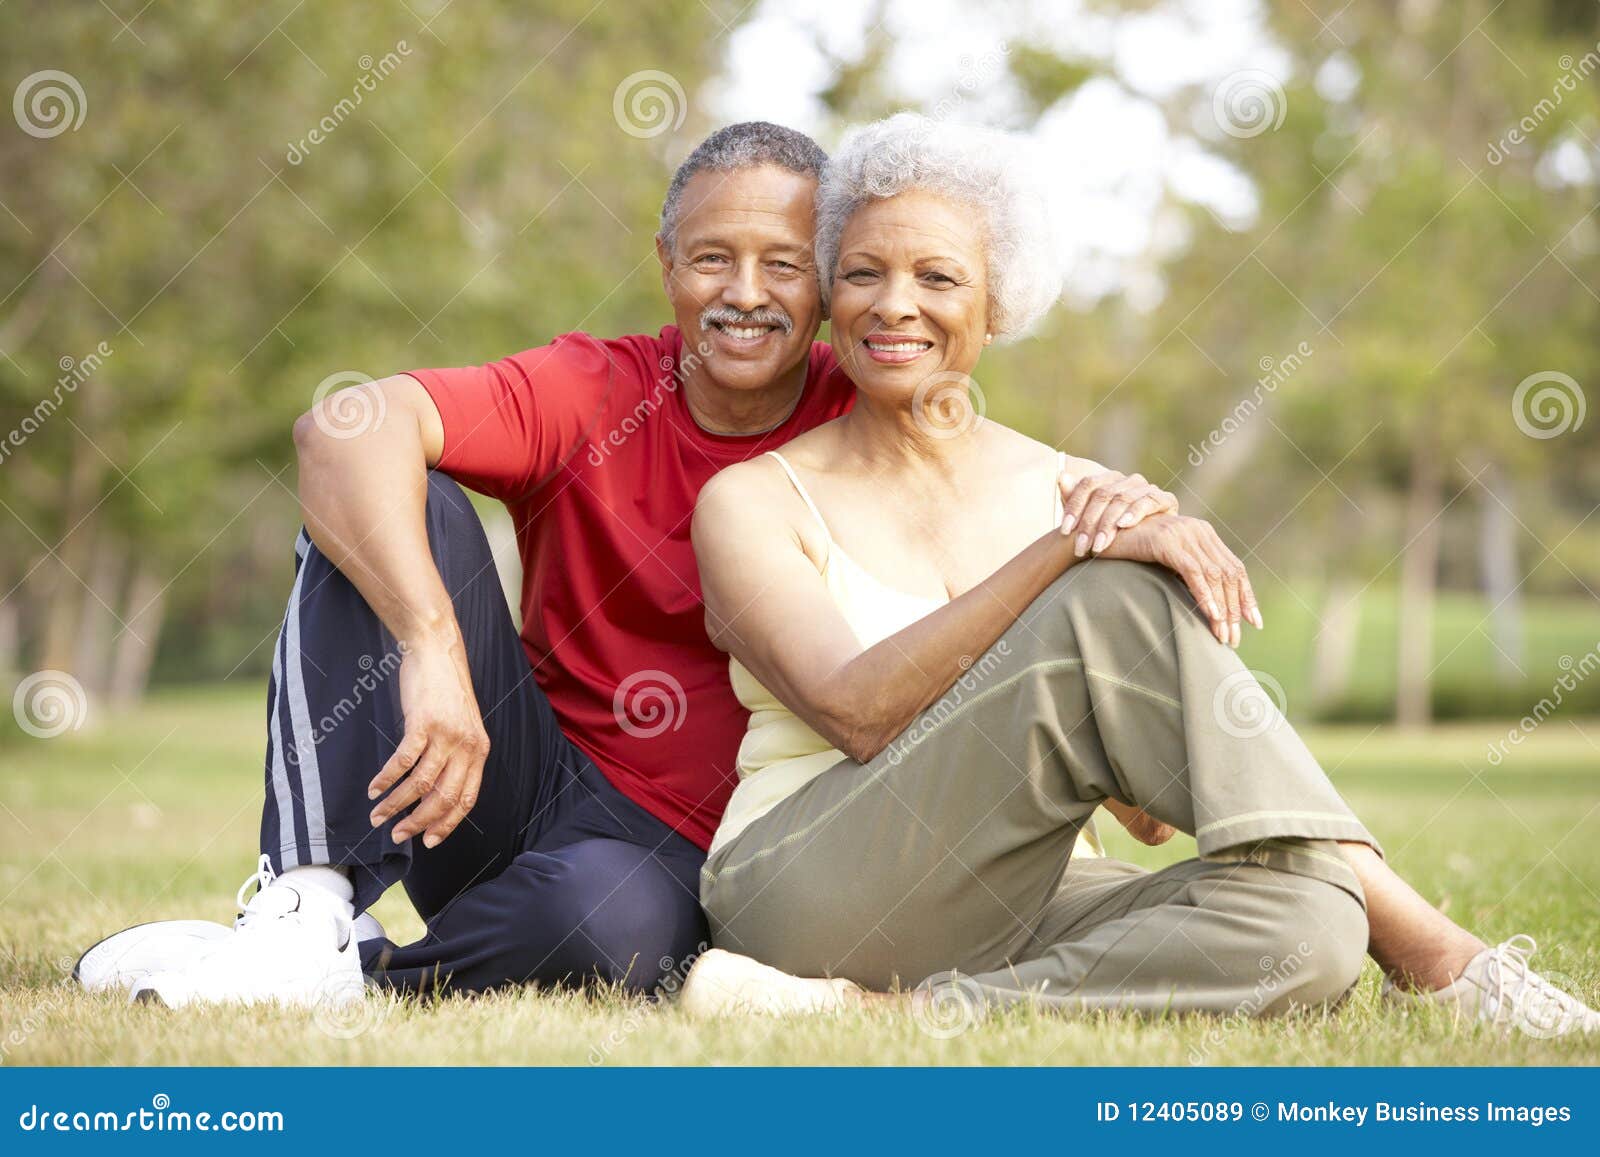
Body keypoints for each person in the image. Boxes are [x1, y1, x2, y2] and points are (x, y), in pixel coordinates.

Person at [71, 120, 1178, 1008]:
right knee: (395, 495)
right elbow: (343, 429)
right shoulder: (596, 387)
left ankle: (342, 974)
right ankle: (303, 904)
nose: (746, 291)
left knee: (609, 935)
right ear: (667, 267)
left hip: (705, 850)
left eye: (785, 264)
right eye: (712, 257)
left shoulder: (876, 417)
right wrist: (433, 646)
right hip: (504, 777)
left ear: (830, 282)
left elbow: (997, 546)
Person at [685, 113, 1599, 1036]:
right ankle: (1440, 955)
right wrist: (1067, 559)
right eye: (863, 272)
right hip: (809, 884)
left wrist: (1145, 632)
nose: (893, 304)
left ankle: (885, 1011)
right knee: (1108, 589)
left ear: (999, 306)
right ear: (833, 293)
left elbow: (1148, 821)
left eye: (938, 277)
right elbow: (854, 708)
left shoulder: (1075, 489)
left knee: (1316, 921)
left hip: (1027, 892)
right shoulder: (752, 500)